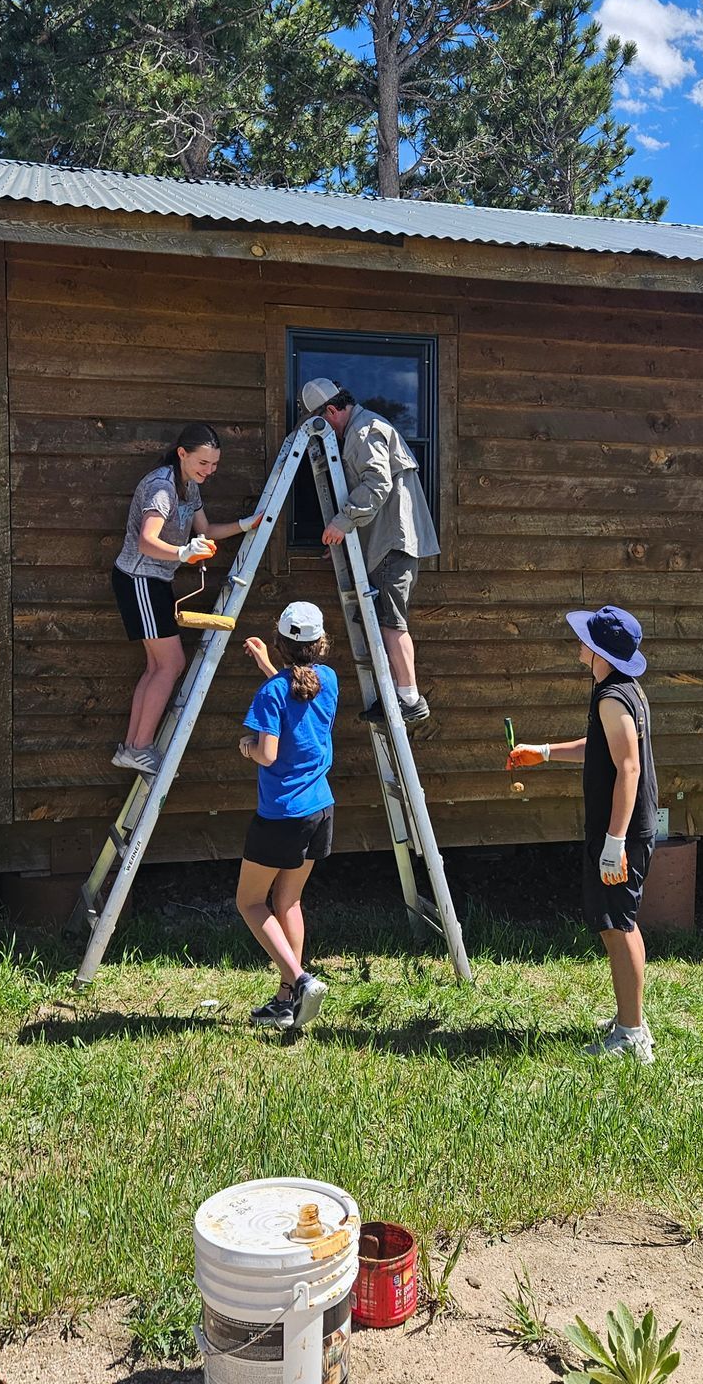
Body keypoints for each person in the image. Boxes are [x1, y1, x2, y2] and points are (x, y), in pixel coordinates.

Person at [506, 605, 658, 1062]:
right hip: (626, 827)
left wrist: (614, 842)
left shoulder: (612, 697)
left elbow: (628, 767)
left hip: (621, 831)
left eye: (585, 639)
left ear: (599, 651)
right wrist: (545, 752)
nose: (579, 642)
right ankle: (630, 1016)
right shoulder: (622, 691)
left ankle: (632, 1036)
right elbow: (606, 748)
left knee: (616, 926)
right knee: (620, 923)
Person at [109, 424, 261, 773]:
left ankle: (131, 747)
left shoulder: (188, 487)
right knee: (171, 664)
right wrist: (182, 554)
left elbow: (205, 531)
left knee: (157, 666)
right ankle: (140, 747)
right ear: (182, 453)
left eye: (214, 465)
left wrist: (247, 524)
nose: (209, 470)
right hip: (139, 579)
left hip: (153, 581)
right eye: (203, 462)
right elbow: (147, 541)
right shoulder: (162, 487)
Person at [301, 377, 439, 726]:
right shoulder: (364, 427)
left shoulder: (365, 431)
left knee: (392, 622)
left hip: (392, 543)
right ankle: (394, 696)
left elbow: (377, 483)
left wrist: (342, 522)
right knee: (382, 621)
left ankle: (410, 699)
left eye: (324, 422)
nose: (326, 432)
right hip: (384, 543)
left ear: (332, 410)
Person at [235, 601, 340, 1030]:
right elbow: (298, 698)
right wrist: (266, 665)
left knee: (250, 901)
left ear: (280, 643)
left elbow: (269, 752)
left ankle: (299, 980)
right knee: (289, 900)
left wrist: (248, 746)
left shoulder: (270, 694)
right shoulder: (328, 680)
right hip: (320, 807)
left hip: (281, 814)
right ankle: (285, 1001)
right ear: (320, 645)